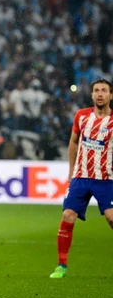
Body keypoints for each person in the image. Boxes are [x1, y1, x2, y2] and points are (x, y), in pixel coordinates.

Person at [49, 79, 113, 279]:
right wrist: (71, 169)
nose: (100, 94)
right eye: (96, 91)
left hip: (106, 179)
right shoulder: (81, 116)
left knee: (111, 218)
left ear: (111, 95)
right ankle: (62, 265)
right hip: (81, 177)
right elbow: (73, 142)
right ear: (92, 95)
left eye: (104, 90)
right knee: (68, 215)